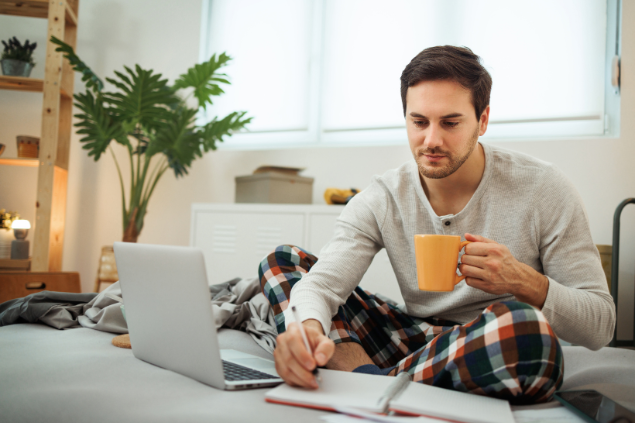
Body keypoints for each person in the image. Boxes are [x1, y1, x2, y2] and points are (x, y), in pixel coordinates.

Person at [258, 46, 616, 404]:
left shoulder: (543, 187)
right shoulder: (383, 196)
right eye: (419, 122)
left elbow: (600, 324)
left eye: (450, 123)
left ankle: (367, 383)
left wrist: (525, 282)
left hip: (492, 339)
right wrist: (305, 331)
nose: (431, 140)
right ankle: (384, 385)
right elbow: (322, 285)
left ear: (483, 120)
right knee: (283, 262)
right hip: (415, 341)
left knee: (525, 330)